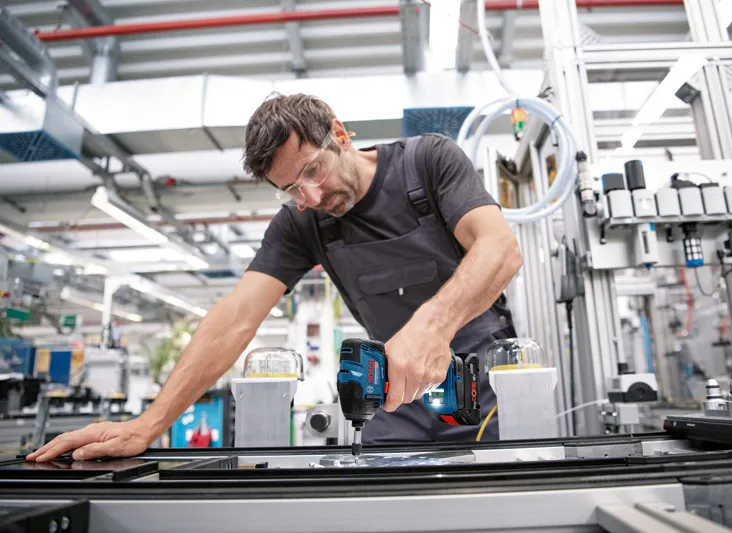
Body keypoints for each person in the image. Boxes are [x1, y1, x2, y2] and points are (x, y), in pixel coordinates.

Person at [27, 93, 522, 462]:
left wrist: (431, 327)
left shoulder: (427, 162)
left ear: (340, 134)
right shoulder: (303, 222)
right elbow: (236, 318)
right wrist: (150, 424)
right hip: (396, 398)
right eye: (290, 188)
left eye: (313, 171)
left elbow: (500, 249)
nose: (308, 195)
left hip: (481, 385)